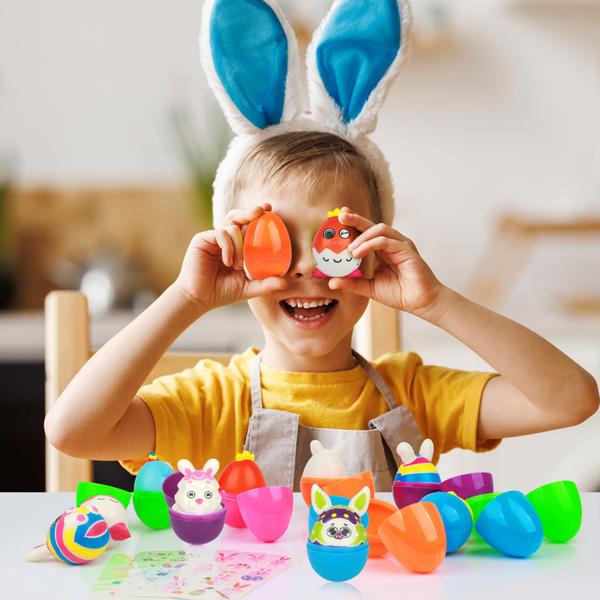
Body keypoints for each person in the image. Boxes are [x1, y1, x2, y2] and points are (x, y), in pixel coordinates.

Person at [44, 0, 598, 490]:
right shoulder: (212, 402)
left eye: (337, 237)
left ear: (377, 249)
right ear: (234, 251)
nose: (308, 267)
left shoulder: (413, 395)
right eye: (274, 241)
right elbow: (72, 432)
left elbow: (571, 400)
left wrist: (436, 302)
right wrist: (186, 298)